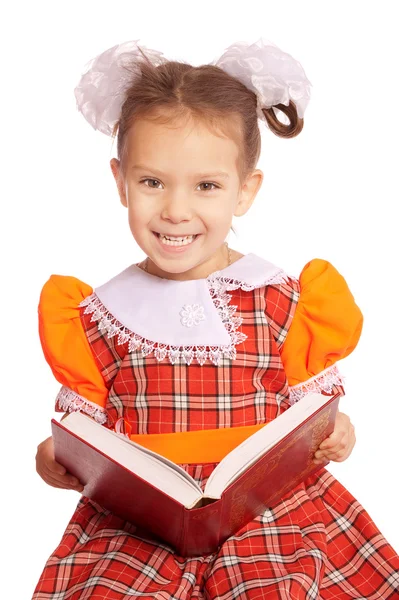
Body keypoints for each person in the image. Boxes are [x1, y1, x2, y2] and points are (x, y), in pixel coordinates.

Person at [32, 38, 399, 599]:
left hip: (273, 516)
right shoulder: (98, 318)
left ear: (244, 191)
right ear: (119, 180)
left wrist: (336, 434)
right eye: (152, 182)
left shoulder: (283, 301)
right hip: (140, 530)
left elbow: (314, 415)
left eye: (206, 186)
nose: (177, 210)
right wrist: (54, 459)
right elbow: (84, 438)